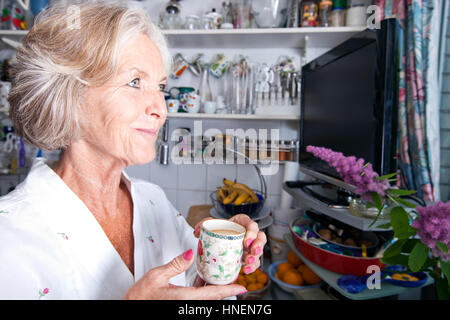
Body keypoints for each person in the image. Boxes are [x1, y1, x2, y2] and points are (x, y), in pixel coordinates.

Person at [0, 1, 266, 300]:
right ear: (70, 96)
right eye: (135, 82)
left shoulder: (154, 201)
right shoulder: (9, 237)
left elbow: (192, 290)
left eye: (161, 87)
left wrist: (214, 268)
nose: (161, 109)